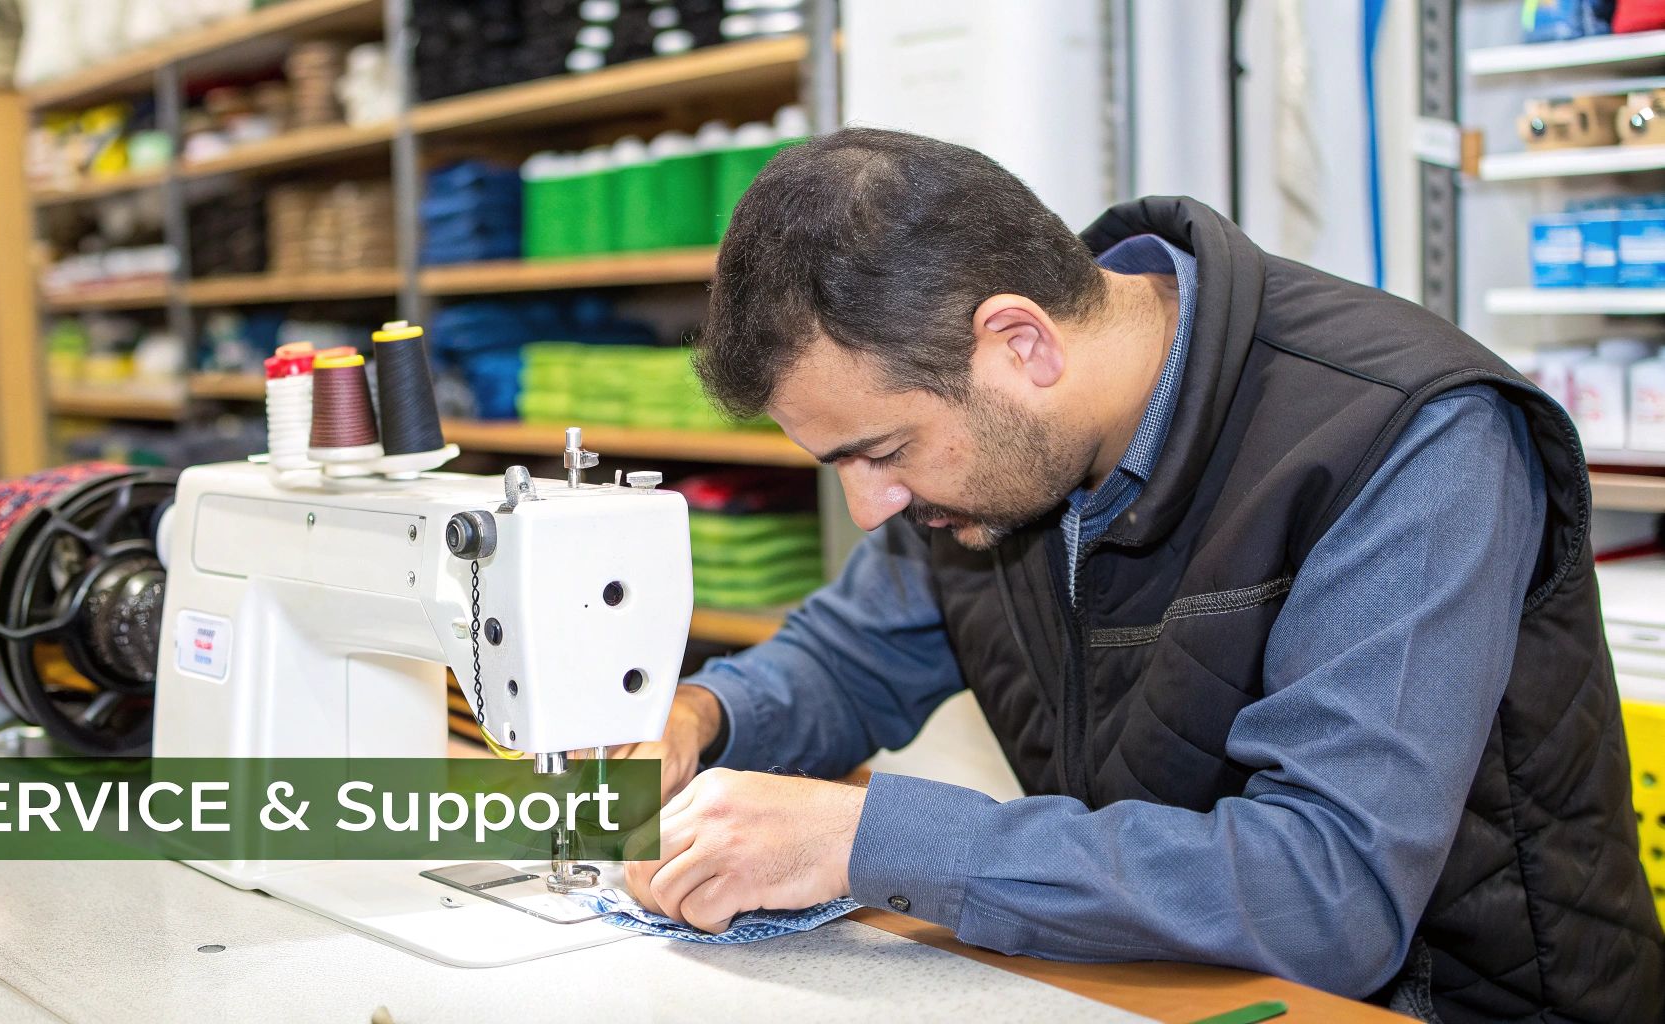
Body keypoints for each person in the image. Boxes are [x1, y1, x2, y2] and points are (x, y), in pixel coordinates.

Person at [614, 128, 1664, 1023]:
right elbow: (850, 657)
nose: (869, 505)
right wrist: (701, 719)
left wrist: (863, 837)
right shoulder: (993, 455)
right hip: (1156, 982)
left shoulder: (1403, 436)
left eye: (880, 451)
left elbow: (1324, 890)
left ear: (1017, 343)